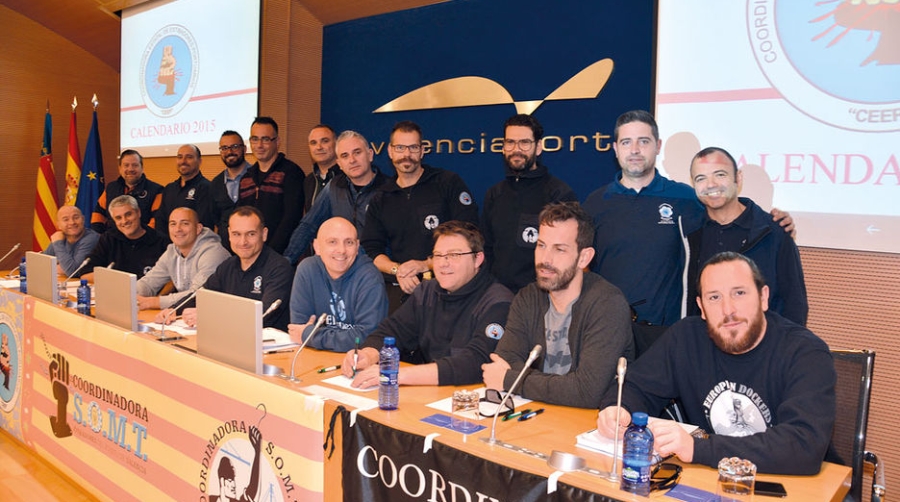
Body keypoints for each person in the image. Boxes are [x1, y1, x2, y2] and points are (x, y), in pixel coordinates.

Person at [595, 252, 835, 475]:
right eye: (714, 297)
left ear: (763, 298)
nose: (727, 309)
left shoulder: (805, 352)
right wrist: (619, 409)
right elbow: (636, 386)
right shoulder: (686, 338)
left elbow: (804, 445)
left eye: (739, 293)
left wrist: (697, 449)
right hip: (712, 480)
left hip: (788, 485)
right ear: (701, 307)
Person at [582, 110, 793, 355]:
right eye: (626, 142)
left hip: (667, 334)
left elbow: (724, 207)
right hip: (609, 330)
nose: (635, 150)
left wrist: (771, 219)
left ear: (657, 146)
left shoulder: (686, 198)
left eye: (644, 141)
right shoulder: (595, 203)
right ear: (615, 148)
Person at [482, 202, 633, 409]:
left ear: (584, 258)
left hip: (586, 426)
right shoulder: (528, 297)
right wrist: (561, 387)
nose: (545, 259)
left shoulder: (608, 304)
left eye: (559, 250)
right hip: (536, 413)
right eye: (541, 245)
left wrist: (511, 380)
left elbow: (587, 392)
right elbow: (505, 360)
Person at [343, 221, 512, 387]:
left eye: (454, 255)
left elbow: (474, 363)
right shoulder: (427, 291)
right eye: (438, 255)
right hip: (429, 392)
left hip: (471, 398)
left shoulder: (498, 302)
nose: (443, 263)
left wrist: (399, 374)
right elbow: (392, 331)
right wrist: (369, 354)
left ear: (477, 259)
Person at [361, 121, 479, 309]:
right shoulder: (381, 198)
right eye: (400, 148)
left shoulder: (447, 183)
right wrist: (398, 270)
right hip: (403, 290)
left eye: (413, 147)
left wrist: (426, 264)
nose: (406, 155)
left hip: (450, 290)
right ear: (390, 152)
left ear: (422, 151)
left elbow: (469, 236)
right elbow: (371, 249)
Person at [685, 147, 808, 325]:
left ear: (738, 178)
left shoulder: (774, 231)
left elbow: (794, 302)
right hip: (706, 346)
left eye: (720, 174)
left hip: (765, 346)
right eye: (701, 178)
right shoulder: (689, 234)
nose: (711, 184)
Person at [481, 114, 577, 293]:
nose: (516, 149)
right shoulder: (494, 194)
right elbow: (487, 249)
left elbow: (568, 254)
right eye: (510, 142)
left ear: (538, 147)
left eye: (524, 143)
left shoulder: (559, 194)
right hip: (497, 296)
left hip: (542, 298)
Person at [283, 130, 389, 265]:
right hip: (340, 267)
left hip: (377, 270)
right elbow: (308, 225)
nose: (352, 160)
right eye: (345, 156)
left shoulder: (389, 189)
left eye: (357, 153)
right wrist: (286, 261)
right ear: (339, 163)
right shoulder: (334, 187)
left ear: (370, 155)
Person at [180, 206, 292, 330]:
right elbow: (201, 296)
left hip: (268, 345)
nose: (243, 242)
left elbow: (264, 315)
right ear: (229, 235)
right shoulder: (227, 266)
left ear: (264, 234)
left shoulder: (279, 268)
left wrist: (211, 316)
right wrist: (173, 311)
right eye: (236, 234)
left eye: (251, 234)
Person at [288, 217, 387, 352]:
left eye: (349, 242)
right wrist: (309, 335)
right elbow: (297, 329)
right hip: (313, 356)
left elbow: (367, 338)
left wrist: (312, 336)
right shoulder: (307, 269)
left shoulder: (369, 277)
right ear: (317, 247)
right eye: (332, 242)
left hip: (356, 362)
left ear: (357, 247)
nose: (341, 250)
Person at [137, 207, 229, 312]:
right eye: (173, 224)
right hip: (186, 315)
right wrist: (128, 294)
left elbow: (196, 295)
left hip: (216, 315)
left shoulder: (213, 253)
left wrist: (154, 302)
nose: (178, 229)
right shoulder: (172, 251)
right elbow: (149, 282)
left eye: (185, 223)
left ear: (198, 228)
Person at [237, 117, 305, 253]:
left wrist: (269, 253)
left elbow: (291, 219)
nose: (259, 145)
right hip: (250, 253)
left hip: (281, 255)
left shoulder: (291, 172)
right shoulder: (246, 178)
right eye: (255, 139)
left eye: (266, 139)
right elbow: (242, 217)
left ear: (277, 142)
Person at [82, 195, 167, 281]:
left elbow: (170, 279)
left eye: (128, 214)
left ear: (138, 213)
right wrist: (119, 280)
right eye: (118, 218)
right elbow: (85, 274)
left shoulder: (161, 241)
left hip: (149, 293)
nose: (124, 221)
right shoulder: (108, 239)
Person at [91, 149, 163, 233]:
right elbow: (99, 213)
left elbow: (157, 221)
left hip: (142, 242)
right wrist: (100, 236)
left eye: (135, 165)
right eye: (126, 165)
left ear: (142, 168)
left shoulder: (157, 190)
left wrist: (142, 237)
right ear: (120, 168)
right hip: (113, 240)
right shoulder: (110, 188)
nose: (130, 169)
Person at [154, 144, 215, 238]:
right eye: (180, 157)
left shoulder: (206, 188)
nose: (183, 161)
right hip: (169, 247)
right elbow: (161, 221)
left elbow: (203, 224)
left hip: (197, 248)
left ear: (199, 161)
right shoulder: (169, 188)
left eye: (189, 157)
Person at [210, 130, 251, 247]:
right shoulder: (215, 184)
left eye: (234, 146)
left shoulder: (256, 177)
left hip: (253, 247)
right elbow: (216, 218)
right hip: (226, 249)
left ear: (244, 149)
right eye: (224, 148)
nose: (229, 152)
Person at [44, 205, 99, 276]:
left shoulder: (91, 238)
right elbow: (42, 263)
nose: (72, 222)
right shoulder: (60, 236)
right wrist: (61, 268)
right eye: (66, 219)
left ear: (83, 219)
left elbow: (73, 272)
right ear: (58, 225)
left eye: (76, 218)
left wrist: (58, 243)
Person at [303, 124, 341, 213]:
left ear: (336, 143)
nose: (319, 147)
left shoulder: (347, 177)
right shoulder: (308, 181)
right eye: (313, 143)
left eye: (325, 141)